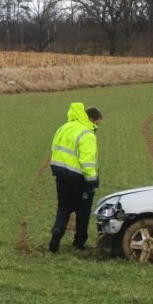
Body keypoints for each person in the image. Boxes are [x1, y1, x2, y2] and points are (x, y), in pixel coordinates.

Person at [48, 103, 102, 252]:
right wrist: (92, 180)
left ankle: (57, 231)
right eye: (97, 123)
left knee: (64, 206)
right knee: (83, 209)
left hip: (60, 174)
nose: (97, 126)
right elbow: (87, 161)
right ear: (91, 119)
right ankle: (79, 242)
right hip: (79, 178)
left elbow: (54, 149)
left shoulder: (64, 128)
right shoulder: (87, 134)